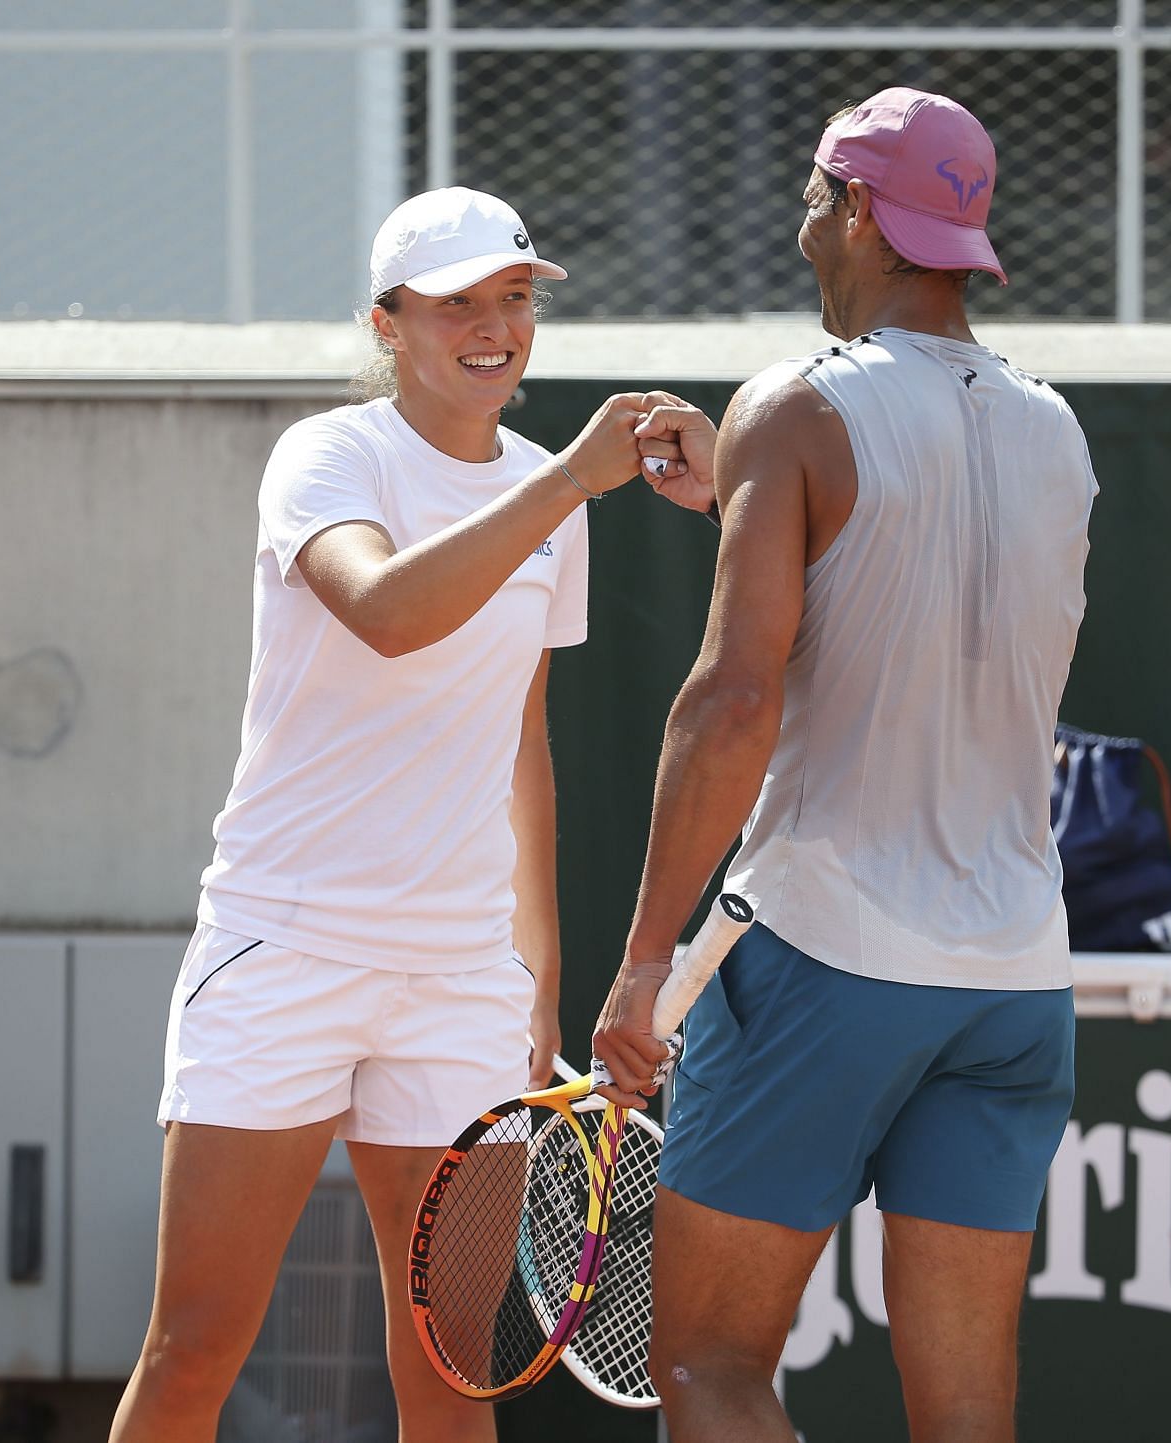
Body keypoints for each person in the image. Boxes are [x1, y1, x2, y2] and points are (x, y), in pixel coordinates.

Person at [109, 186, 711, 1443]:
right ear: (389, 324)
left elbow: (521, 744)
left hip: (459, 978)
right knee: (191, 1355)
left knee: (447, 1374)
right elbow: (385, 613)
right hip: (284, 946)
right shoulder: (332, 457)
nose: (493, 327)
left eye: (513, 298)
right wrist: (568, 492)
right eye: (455, 305)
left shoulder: (554, 493)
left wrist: (531, 970)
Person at [593, 88, 1098, 1442]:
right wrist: (753, 486)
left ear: (864, 213)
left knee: (708, 1368)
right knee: (967, 1422)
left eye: (818, 200)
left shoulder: (797, 409)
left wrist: (647, 958)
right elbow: (918, 579)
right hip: (1013, 981)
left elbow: (735, 693)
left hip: (826, 956)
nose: (805, 226)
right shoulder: (1058, 431)